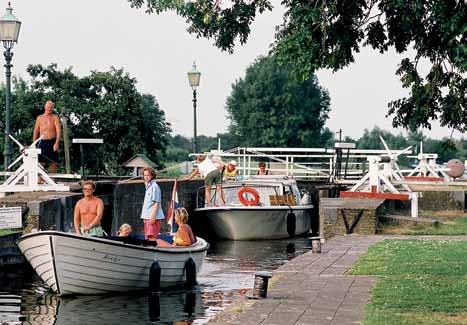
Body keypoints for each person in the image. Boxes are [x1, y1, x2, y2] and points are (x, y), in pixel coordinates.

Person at [32, 100, 61, 173]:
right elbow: (36, 131)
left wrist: (57, 143)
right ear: (45, 107)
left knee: (53, 162)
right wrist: (34, 144)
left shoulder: (55, 117)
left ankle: (52, 179)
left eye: (51, 107)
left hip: (52, 141)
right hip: (42, 141)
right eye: (48, 107)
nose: (49, 109)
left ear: (53, 108)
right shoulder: (39, 118)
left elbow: (58, 131)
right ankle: (40, 179)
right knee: (40, 161)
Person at [141, 167, 165, 241]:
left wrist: (153, 217)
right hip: (147, 217)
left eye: (148, 175)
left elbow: (156, 202)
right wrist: (145, 217)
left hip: (152, 217)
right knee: (147, 237)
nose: (146, 177)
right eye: (145, 175)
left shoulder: (154, 186)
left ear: (152, 176)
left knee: (152, 237)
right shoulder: (148, 186)